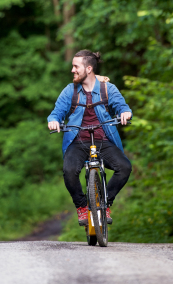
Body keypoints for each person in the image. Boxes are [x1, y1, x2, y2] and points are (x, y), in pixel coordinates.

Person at [47, 50, 132, 226]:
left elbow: (121, 105)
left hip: (103, 140)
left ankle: (106, 203)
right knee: (69, 171)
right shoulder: (70, 91)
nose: (72, 70)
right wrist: (54, 121)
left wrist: (125, 113)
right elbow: (56, 113)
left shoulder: (107, 89)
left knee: (124, 167)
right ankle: (82, 206)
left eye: (76, 66)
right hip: (77, 142)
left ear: (89, 68)